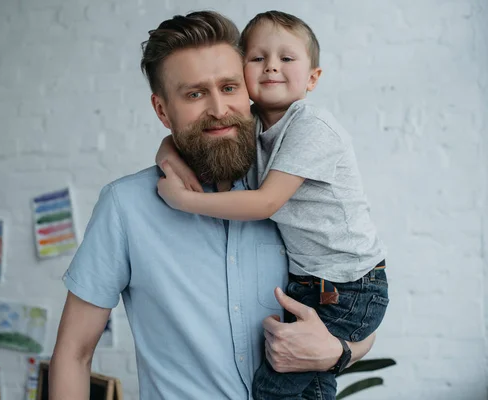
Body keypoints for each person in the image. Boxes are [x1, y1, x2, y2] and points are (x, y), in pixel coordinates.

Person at [50, 11, 375, 400]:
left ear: (250, 92)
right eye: (195, 94)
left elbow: (361, 322)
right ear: (162, 110)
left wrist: (336, 353)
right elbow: (73, 353)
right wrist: (170, 151)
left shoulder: (293, 193)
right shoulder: (126, 207)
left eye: (229, 87)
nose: (219, 109)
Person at [155, 10, 389, 400]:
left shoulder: (311, 126)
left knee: (277, 386)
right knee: (304, 382)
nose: (271, 68)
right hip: (312, 280)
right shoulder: (255, 125)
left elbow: (266, 202)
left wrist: (186, 200)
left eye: (287, 58)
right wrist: (168, 151)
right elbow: (191, 134)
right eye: (258, 58)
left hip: (349, 283)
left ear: (313, 78)